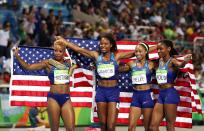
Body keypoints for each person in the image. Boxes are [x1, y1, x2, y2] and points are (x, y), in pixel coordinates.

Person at [55, 34, 135, 131]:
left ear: (111, 45)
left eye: (106, 44)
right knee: (103, 125)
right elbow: (80, 50)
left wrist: (155, 47)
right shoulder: (96, 56)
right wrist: (65, 42)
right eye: (101, 44)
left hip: (113, 93)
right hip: (101, 92)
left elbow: (135, 53)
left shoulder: (117, 56)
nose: (103, 46)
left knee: (111, 126)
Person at [13, 41, 77, 131]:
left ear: (64, 52)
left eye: (60, 51)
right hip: (53, 98)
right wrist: (17, 56)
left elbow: (77, 52)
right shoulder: (48, 63)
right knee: (54, 129)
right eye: (55, 50)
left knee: (71, 129)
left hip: (66, 98)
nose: (57, 53)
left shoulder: (68, 63)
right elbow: (28, 67)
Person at [149, 40, 192, 131]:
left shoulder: (172, 61)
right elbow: (145, 53)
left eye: (161, 49)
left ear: (168, 49)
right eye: (158, 49)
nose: (159, 51)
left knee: (169, 125)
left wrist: (184, 61)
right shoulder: (157, 63)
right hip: (161, 95)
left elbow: (180, 65)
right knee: (152, 127)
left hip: (170, 94)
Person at [119, 42, 155, 131]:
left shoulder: (151, 64)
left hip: (146, 96)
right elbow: (117, 69)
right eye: (136, 51)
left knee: (148, 128)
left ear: (146, 52)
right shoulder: (131, 64)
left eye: (140, 51)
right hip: (136, 97)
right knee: (131, 127)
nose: (137, 53)